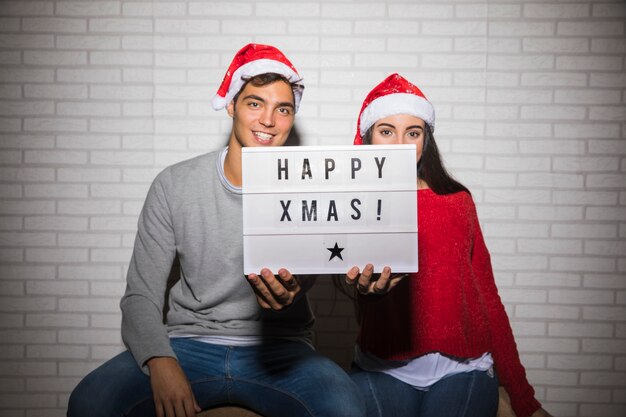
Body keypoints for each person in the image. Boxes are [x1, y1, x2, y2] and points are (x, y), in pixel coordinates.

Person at [67, 44, 364, 417]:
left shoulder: (311, 189)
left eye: (283, 109)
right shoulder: (174, 184)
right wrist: (161, 361)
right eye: (255, 103)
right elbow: (140, 296)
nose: (268, 120)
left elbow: (306, 274)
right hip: (188, 344)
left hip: (281, 348)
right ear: (231, 106)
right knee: (89, 402)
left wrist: (295, 286)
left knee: (345, 407)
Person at [340, 73, 553, 417]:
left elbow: (487, 297)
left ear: (426, 141)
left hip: (462, 368)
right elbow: (341, 275)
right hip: (382, 366)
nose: (399, 145)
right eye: (386, 131)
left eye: (413, 133)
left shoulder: (457, 201)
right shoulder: (353, 204)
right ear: (367, 138)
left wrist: (523, 398)